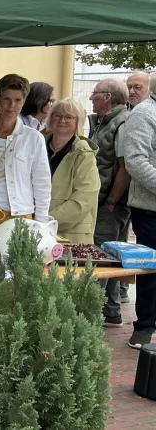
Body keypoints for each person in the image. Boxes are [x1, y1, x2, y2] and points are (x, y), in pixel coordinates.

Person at [0, 74, 51, 345]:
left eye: (17, 100)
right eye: (7, 99)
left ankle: (11, 329)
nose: (11, 106)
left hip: (19, 214)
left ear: (24, 101)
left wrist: (42, 222)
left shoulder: (33, 139)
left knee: (15, 276)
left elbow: (41, 182)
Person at [88, 78, 132, 326]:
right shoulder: (106, 120)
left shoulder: (122, 123)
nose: (91, 98)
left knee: (101, 257)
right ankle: (110, 311)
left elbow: (124, 168)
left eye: (94, 94)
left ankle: (95, 313)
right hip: (108, 200)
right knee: (111, 256)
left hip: (111, 203)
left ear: (107, 97)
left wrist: (111, 201)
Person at [121, 79, 156, 349]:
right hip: (150, 209)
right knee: (151, 272)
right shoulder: (144, 114)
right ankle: (143, 328)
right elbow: (134, 160)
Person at [45, 99, 100, 243]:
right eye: (57, 115)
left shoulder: (83, 153)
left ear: (78, 121)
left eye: (69, 117)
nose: (62, 120)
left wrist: (45, 220)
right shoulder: (38, 145)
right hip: (37, 228)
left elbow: (83, 200)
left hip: (71, 234)